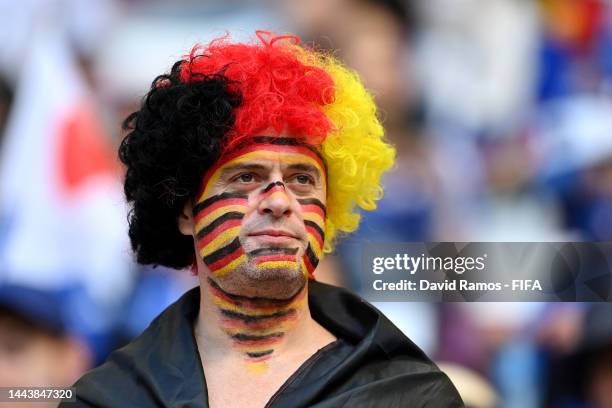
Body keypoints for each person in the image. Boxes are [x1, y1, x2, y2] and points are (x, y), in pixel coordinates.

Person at [65, 31, 463, 407]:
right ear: (187, 210)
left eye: (302, 179)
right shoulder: (113, 397)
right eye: (246, 177)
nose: (279, 200)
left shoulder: (408, 395)